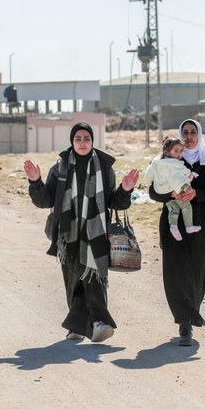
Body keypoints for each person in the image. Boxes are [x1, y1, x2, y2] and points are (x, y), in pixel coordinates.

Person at [24, 122, 139, 343]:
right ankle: (77, 326)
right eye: (78, 139)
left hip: (96, 231)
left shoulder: (104, 168)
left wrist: (125, 189)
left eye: (87, 138)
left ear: (93, 141)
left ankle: (99, 323)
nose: (83, 142)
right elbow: (45, 200)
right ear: (72, 141)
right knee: (73, 279)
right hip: (68, 234)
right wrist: (35, 181)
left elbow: (115, 202)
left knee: (94, 278)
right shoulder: (60, 168)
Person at [147, 119, 205, 346]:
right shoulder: (167, 161)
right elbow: (153, 193)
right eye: (185, 133)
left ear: (199, 135)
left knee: (197, 271)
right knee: (175, 271)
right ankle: (185, 322)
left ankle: (192, 312)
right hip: (174, 226)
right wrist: (171, 194)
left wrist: (196, 194)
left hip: (202, 225)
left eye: (193, 132)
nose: (189, 137)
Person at [144, 136, 201, 241]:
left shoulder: (156, 161)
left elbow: (148, 174)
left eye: (181, 151)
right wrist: (187, 185)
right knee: (186, 207)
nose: (179, 154)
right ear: (166, 152)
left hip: (161, 189)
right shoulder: (173, 163)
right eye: (176, 151)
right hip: (175, 190)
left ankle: (173, 227)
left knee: (173, 208)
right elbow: (177, 177)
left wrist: (146, 182)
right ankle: (189, 226)